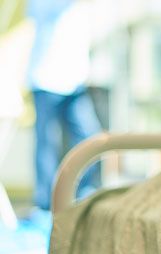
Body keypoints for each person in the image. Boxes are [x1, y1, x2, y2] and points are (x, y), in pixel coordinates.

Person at [25, 0, 100, 222]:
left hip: (74, 81)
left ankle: (83, 194)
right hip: (45, 79)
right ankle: (45, 206)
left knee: (89, 137)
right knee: (47, 144)